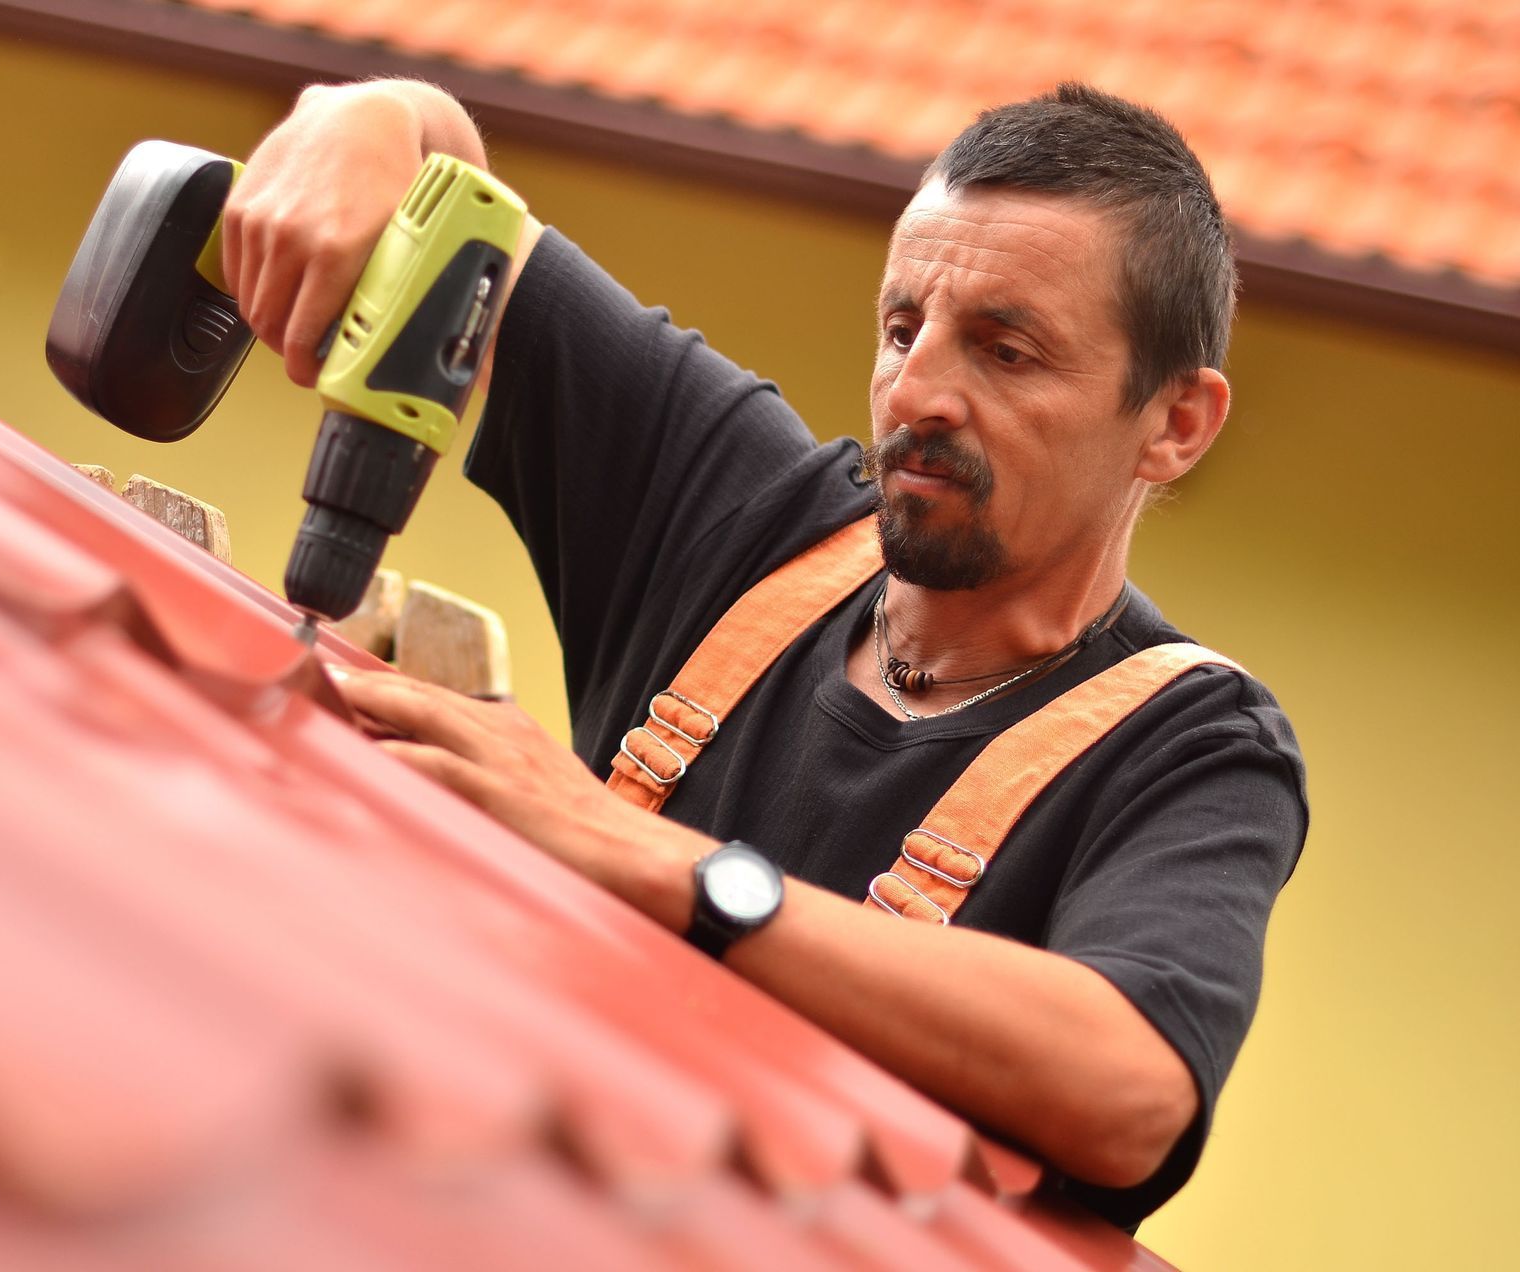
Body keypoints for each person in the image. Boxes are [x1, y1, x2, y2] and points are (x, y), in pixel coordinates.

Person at [222, 78, 1307, 1228]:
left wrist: (648, 859)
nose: (918, 391)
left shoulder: (1194, 749)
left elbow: (1130, 1090)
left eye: (1006, 350)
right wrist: (365, 118)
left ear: (1175, 423)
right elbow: (460, 192)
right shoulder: (746, 514)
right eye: (902, 329)